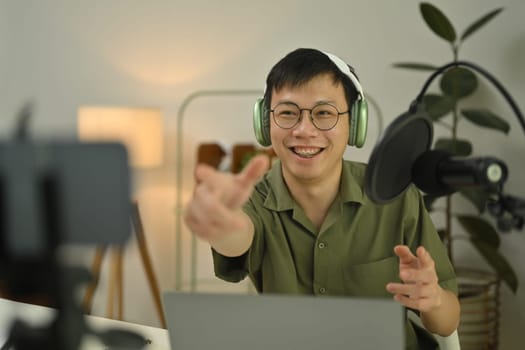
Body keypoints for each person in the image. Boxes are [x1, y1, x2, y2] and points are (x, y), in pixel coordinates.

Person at [184, 48, 460, 349]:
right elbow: (239, 233)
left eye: (324, 113)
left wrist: (432, 300)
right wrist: (223, 224)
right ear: (265, 123)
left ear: (354, 123)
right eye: (287, 113)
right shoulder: (255, 198)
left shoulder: (396, 197)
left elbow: (447, 322)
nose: (304, 130)